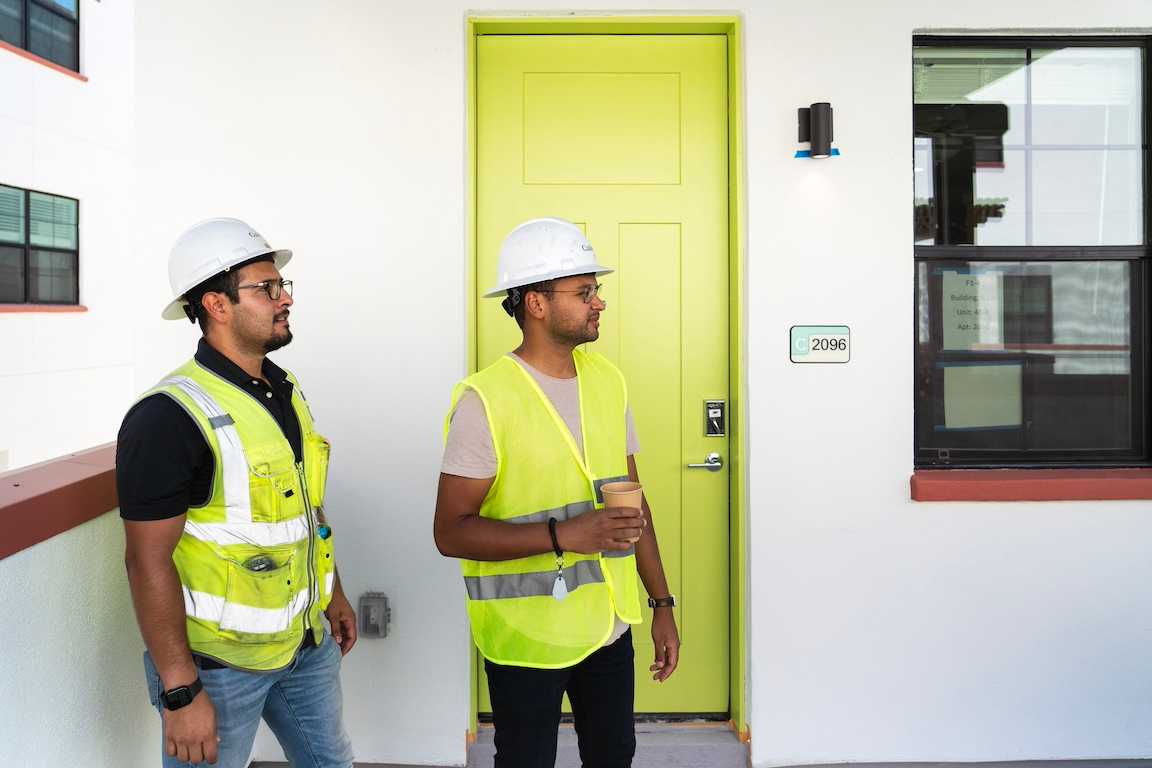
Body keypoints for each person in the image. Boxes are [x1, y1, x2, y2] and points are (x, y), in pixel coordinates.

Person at [434, 217, 681, 768]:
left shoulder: (608, 380)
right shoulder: (485, 400)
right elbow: (450, 533)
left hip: (608, 628)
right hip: (527, 637)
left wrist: (661, 603)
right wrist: (565, 535)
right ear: (536, 303)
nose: (599, 304)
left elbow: (633, 501)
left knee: (614, 758)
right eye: (585, 292)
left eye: (596, 291)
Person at [117, 218, 356, 767]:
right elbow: (145, 561)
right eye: (266, 289)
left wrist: (333, 594)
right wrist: (181, 690)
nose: (284, 300)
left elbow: (305, 508)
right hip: (216, 668)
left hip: (304, 647)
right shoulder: (169, 416)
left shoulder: (284, 388)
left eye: (283, 287)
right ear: (216, 305)